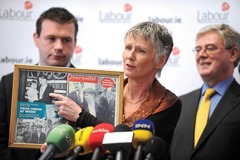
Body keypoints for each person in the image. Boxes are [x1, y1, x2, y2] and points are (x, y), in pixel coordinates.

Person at [43, 21, 182, 160]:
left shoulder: (168, 103)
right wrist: (67, 151)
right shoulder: (105, 93)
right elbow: (89, 142)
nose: (130, 56)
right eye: (128, 48)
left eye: (141, 51)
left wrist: (82, 117)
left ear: (160, 61)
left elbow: (131, 150)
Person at [0, 7, 78, 160]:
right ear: (36, 38)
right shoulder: (9, 83)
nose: (59, 47)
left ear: (75, 42)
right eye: (51, 38)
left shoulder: (84, 87)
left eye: (66, 40)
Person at [170, 24, 240, 160]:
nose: (201, 55)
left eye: (210, 48)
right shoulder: (179, 103)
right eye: (198, 49)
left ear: (232, 54)